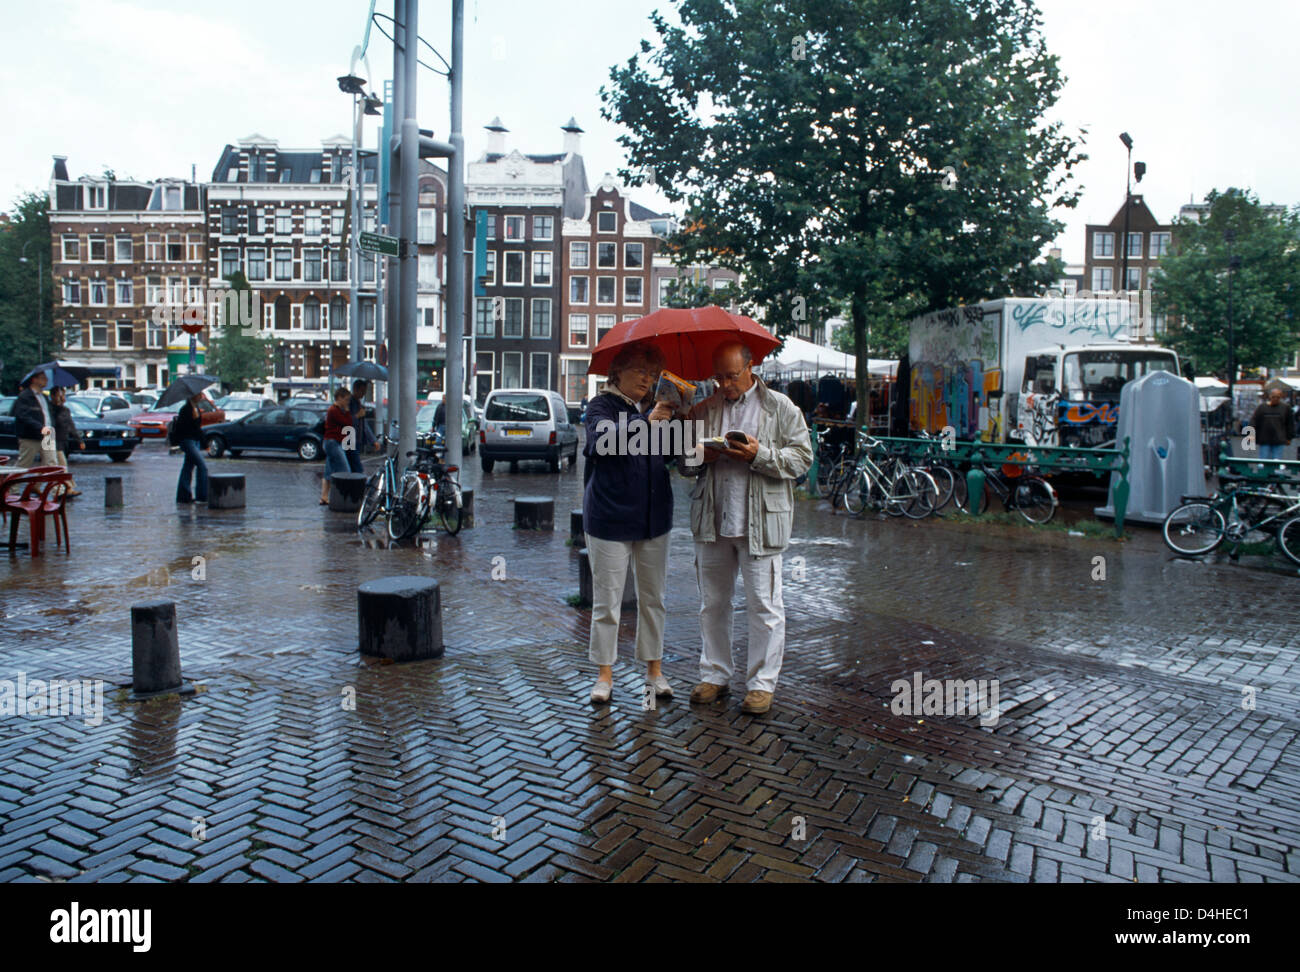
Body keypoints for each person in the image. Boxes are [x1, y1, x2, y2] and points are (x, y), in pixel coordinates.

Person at [683, 341, 812, 715]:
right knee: (712, 604)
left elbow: (802, 458)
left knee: (764, 606)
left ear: (751, 367)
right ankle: (715, 674)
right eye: (718, 377)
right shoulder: (703, 410)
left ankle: (761, 684)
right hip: (712, 520)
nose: (724, 384)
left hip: (761, 523)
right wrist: (697, 455)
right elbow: (683, 464)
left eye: (731, 375)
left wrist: (760, 455)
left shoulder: (780, 407)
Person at [582, 343, 673, 705]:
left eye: (652, 375)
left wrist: (679, 426)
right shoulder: (600, 407)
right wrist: (644, 422)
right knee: (608, 601)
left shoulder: (655, 409)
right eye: (639, 372)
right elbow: (601, 443)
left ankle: (654, 671)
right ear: (617, 372)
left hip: (654, 517)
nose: (647, 379)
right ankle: (605, 675)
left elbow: (670, 456)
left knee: (654, 599)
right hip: (610, 517)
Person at [14, 370, 58, 469]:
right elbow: (22, 415)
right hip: (30, 436)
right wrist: (40, 428)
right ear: (34, 380)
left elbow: (48, 415)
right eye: (43, 378)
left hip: (48, 435)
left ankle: (51, 485)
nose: (46, 380)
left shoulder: (44, 397)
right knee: (23, 465)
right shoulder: (25, 396)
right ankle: (11, 484)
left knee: (51, 465)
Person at [173, 391, 209, 504]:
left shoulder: (196, 409)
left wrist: (203, 442)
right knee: (202, 466)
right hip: (187, 441)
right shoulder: (186, 410)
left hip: (195, 441)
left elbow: (198, 428)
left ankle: (183, 496)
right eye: (200, 394)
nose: (202, 396)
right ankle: (202, 496)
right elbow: (186, 428)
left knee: (188, 467)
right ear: (194, 396)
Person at [322, 387, 355, 505]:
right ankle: (344, 498)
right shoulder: (334, 410)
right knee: (345, 470)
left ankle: (324, 497)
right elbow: (348, 423)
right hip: (333, 442)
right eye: (346, 400)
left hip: (331, 442)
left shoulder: (334, 410)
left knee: (328, 471)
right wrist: (347, 411)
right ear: (339, 398)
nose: (347, 403)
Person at [50, 386, 82, 497]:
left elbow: (70, 426)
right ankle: (67, 488)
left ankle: (37, 486)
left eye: (63, 395)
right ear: (53, 396)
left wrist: (79, 440)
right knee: (61, 466)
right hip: (52, 441)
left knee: (51, 466)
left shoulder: (65, 410)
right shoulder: (51, 409)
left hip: (62, 441)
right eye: (60, 395)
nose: (63, 398)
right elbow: (52, 423)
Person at [1251, 387, 1295, 462]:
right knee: (1263, 460)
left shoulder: (1285, 407)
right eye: (1273, 396)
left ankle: (1275, 473)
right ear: (1270, 396)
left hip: (1279, 439)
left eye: (1278, 397)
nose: (1275, 399)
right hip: (1264, 438)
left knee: (1277, 461)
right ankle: (1264, 473)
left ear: (1280, 397)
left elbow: (1290, 423)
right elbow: (1254, 421)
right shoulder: (1262, 407)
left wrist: (1289, 438)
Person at [348, 380, 374, 467]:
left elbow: (363, 424)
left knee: (354, 465)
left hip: (357, 439)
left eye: (365, 391)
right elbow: (345, 421)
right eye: (362, 391)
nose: (363, 394)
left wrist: (372, 440)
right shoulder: (349, 402)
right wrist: (357, 416)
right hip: (349, 439)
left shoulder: (358, 403)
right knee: (355, 466)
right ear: (355, 389)